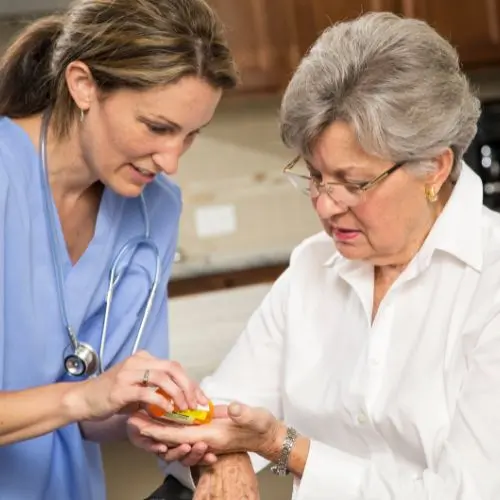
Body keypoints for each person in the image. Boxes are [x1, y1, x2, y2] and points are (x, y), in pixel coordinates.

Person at [129, 11, 500, 500]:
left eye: (353, 183)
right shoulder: (312, 268)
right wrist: (228, 454)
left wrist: (283, 446)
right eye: (315, 175)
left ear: (433, 166)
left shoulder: (490, 281)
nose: (325, 205)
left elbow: (469, 491)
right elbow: (220, 411)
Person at [0, 0, 237, 499]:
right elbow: (82, 398)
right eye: (157, 127)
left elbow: (96, 410)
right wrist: (83, 398)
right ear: (83, 85)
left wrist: (143, 416)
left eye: (190, 136)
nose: (171, 160)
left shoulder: (155, 208)